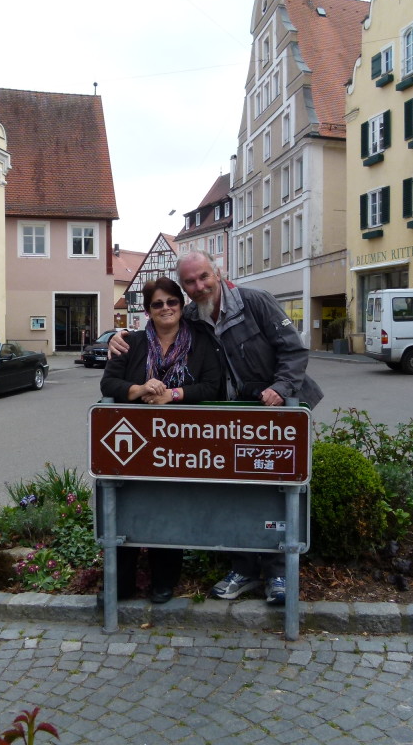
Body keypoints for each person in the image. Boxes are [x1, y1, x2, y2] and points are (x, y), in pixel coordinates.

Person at [108, 250, 322, 605]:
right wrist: (120, 335)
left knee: (275, 489)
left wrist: (280, 387)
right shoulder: (192, 314)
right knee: (235, 490)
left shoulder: (256, 302)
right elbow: (162, 327)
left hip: (275, 413)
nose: (199, 286)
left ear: (218, 273)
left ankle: (277, 573)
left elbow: (294, 351)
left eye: (204, 277)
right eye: (190, 281)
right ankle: (244, 568)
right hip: (229, 418)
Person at [100, 276, 224, 604]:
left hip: (180, 441)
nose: (165, 308)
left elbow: (214, 386)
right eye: (158, 304)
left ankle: (163, 582)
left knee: (169, 506)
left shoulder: (200, 340)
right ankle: (121, 584)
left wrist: (173, 394)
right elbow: (108, 384)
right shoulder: (132, 342)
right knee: (127, 508)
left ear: (182, 307)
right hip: (135, 441)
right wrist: (139, 390)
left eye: (172, 302)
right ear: (148, 310)